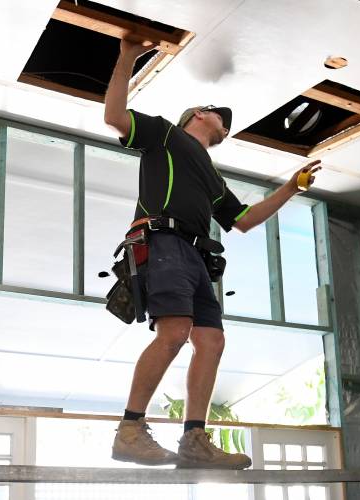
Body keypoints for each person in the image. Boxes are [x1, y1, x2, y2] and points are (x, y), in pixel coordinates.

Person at [103, 38, 320, 469]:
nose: (226, 124)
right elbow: (113, 116)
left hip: (197, 258)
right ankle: (129, 430)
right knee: (174, 334)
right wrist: (128, 56)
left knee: (212, 341)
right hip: (162, 242)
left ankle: (194, 440)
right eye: (220, 116)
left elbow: (243, 219)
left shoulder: (212, 176)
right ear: (199, 114)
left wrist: (291, 187)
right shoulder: (166, 136)